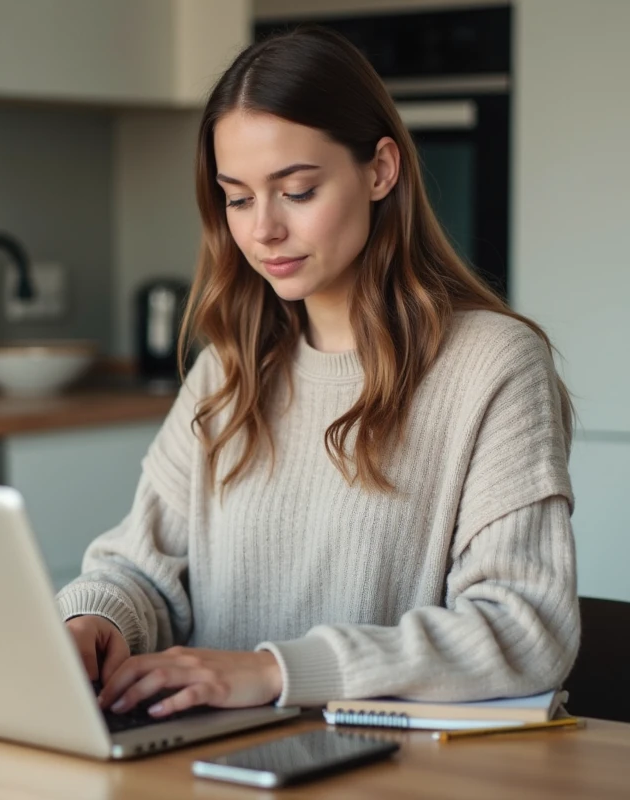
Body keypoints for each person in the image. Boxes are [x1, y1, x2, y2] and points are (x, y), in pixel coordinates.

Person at [56, 26, 579, 721]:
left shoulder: (493, 365)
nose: (262, 229)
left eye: (296, 191)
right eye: (237, 198)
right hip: (213, 760)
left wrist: (276, 672)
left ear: (380, 170)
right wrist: (96, 623)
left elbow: (525, 628)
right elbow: (141, 571)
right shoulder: (227, 373)